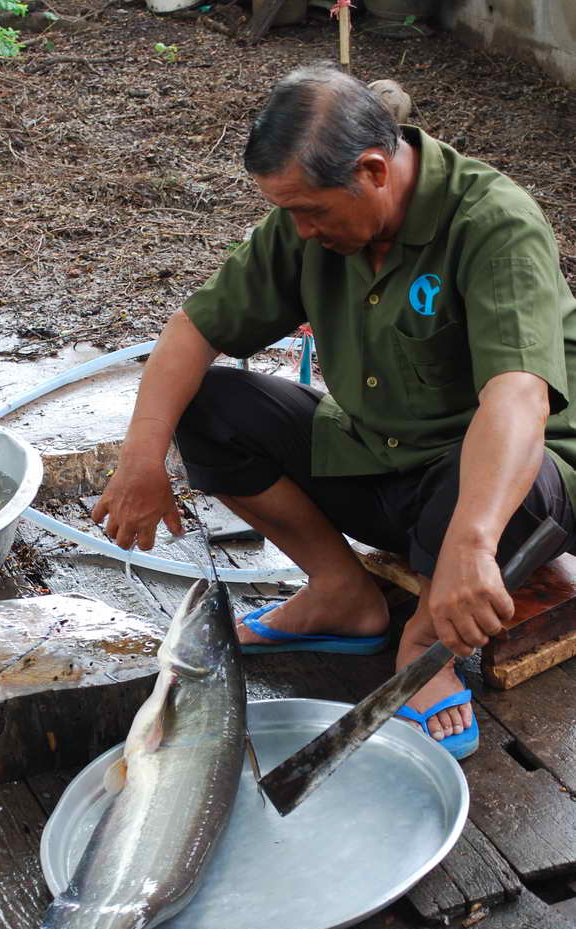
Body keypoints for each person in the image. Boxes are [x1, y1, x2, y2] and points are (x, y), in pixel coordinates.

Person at [91, 62, 576, 760]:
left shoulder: (493, 223)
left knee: (517, 478)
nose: (300, 230)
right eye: (287, 211)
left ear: (375, 171)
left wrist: (472, 542)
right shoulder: (308, 221)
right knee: (206, 402)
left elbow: (518, 397)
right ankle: (341, 594)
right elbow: (193, 331)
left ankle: (422, 650)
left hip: (498, 497)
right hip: (374, 460)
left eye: (311, 210)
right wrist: (139, 459)